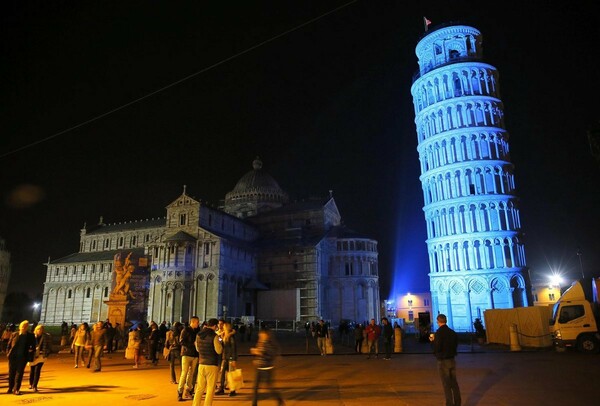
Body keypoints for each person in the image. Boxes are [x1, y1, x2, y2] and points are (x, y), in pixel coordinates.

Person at [431, 314, 461, 406]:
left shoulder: (438, 333)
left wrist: (432, 341)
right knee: (454, 383)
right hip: (452, 359)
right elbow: (455, 345)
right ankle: (457, 403)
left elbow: (437, 348)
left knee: (446, 384)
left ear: (438, 321)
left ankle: (449, 403)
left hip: (443, 361)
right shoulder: (452, 332)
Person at [192, 318, 223, 406]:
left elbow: (197, 349)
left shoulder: (199, 334)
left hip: (201, 363)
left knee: (200, 388)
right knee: (210, 388)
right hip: (212, 364)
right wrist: (221, 343)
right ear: (214, 326)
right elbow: (219, 351)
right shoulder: (214, 336)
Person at [250, 328, 284, 406]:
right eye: (260, 334)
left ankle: (279, 400)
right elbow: (259, 353)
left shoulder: (269, 343)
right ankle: (254, 404)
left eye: (262, 334)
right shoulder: (260, 342)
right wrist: (256, 358)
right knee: (255, 388)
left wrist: (260, 353)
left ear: (266, 335)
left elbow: (271, 355)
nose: (260, 335)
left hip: (267, 369)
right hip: (258, 368)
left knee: (270, 387)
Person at [6, 320, 36, 395]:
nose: (24, 328)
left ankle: (16, 389)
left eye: (25, 326)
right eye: (23, 326)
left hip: (23, 358)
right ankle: (10, 387)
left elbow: (33, 346)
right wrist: (8, 354)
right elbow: (9, 345)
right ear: (20, 327)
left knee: (19, 374)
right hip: (13, 357)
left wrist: (31, 351)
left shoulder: (30, 336)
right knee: (11, 373)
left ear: (27, 327)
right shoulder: (14, 334)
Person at [178, 316, 201, 401]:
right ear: (193, 322)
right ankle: (180, 392)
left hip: (195, 355)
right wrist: (192, 345)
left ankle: (188, 391)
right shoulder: (186, 330)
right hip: (186, 354)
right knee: (184, 373)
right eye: (197, 322)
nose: (198, 324)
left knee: (191, 374)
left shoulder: (198, 331)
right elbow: (181, 341)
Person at [216, 322, 237, 396]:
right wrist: (220, 338)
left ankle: (232, 390)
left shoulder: (231, 337)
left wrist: (233, 359)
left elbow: (233, 349)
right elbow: (221, 345)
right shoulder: (224, 336)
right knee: (222, 373)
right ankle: (221, 388)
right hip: (224, 357)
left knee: (230, 374)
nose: (222, 327)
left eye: (224, 326)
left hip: (230, 358)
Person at [28, 324, 52, 392]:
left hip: (42, 355)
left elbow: (49, 345)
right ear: (36, 330)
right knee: (32, 370)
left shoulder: (46, 336)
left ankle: (35, 385)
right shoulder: (32, 336)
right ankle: (31, 383)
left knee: (37, 370)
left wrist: (47, 353)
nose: (39, 331)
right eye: (38, 329)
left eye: (41, 329)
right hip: (33, 355)